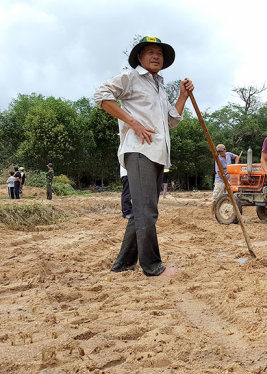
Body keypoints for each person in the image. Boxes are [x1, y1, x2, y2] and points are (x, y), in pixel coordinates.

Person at [94, 36, 194, 276]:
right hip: (139, 151)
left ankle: (123, 264)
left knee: (142, 211)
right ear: (139, 57)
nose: (156, 56)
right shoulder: (130, 78)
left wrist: (182, 96)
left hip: (158, 153)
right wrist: (133, 123)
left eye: (159, 53)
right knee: (147, 212)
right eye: (150, 52)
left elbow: (170, 122)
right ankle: (152, 266)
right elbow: (101, 96)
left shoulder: (159, 86)